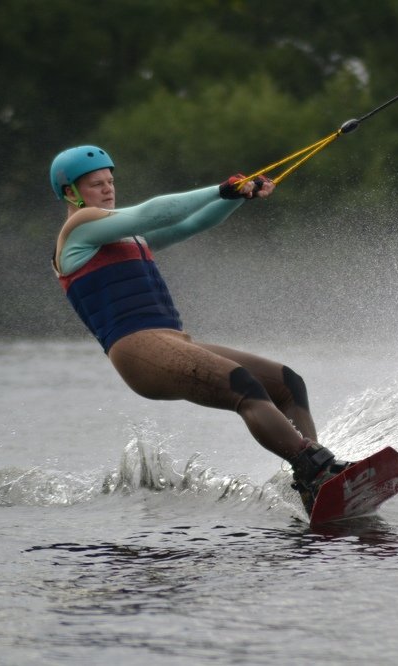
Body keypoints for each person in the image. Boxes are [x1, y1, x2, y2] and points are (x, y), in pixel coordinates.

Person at [49, 145, 349, 514]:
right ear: (70, 193)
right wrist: (220, 189)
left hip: (172, 342)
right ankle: (316, 471)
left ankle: (311, 481)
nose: (108, 189)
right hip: (137, 351)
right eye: (96, 184)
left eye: (110, 181)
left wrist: (236, 197)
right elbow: (150, 212)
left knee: (287, 383)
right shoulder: (78, 230)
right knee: (243, 385)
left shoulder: (129, 238)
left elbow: (191, 224)